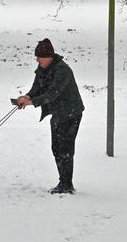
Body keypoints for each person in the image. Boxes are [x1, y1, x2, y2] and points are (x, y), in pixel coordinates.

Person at [17, 38, 85, 194]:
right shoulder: (43, 68)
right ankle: (64, 182)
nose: (37, 60)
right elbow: (37, 87)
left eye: (39, 57)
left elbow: (52, 94)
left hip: (71, 113)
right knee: (56, 148)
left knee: (65, 149)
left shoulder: (63, 70)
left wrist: (31, 102)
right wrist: (27, 96)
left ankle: (66, 184)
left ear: (49, 57)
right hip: (58, 113)